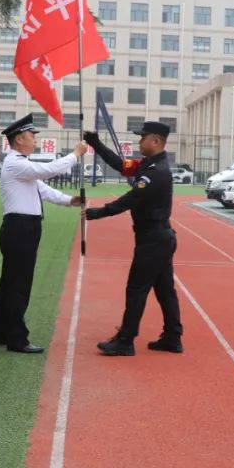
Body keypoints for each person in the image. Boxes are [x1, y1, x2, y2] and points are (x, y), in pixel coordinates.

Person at [0, 114, 87, 353]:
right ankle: (17, 339)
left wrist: (69, 201)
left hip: (22, 228)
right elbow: (48, 171)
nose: (35, 140)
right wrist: (76, 154)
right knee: (18, 285)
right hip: (20, 229)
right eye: (32, 136)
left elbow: (42, 189)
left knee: (9, 283)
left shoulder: (21, 165)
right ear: (20, 139)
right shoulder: (16, 163)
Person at [83, 121, 182, 357]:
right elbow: (120, 164)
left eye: (143, 137)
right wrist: (96, 144)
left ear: (156, 141)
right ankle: (172, 337)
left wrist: (99, 212)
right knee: (165, 290)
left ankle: (126, 340)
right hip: (159, 238)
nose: (140, 141)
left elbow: (130, 199)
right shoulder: (147, 166)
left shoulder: (155, 173)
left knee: (136, 290)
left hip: (153, 240)